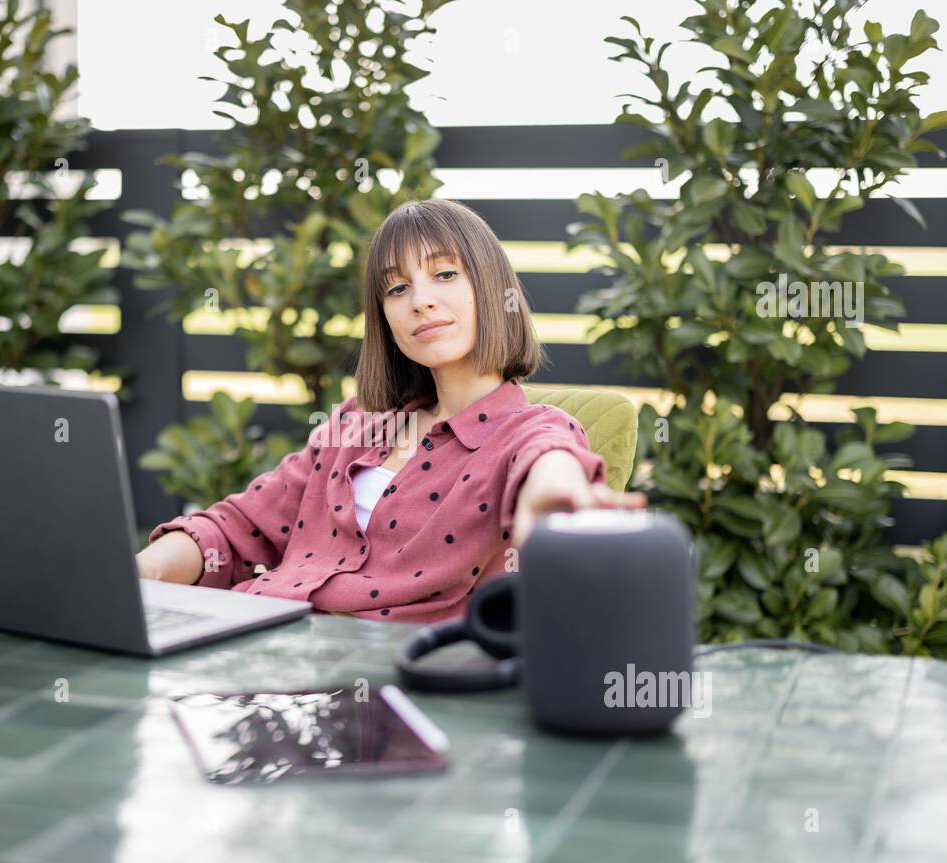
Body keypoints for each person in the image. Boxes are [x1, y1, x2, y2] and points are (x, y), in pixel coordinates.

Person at [136, 198, 645, 623]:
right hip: (257, 650)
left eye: (445, 274)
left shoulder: (530, 430)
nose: (420, 301)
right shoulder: (357, 425)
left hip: (387, 685)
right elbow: (237, 527)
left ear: (492, 291)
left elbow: (548, 460)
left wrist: (557, 497)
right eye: (397, 288)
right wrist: (144, 572)